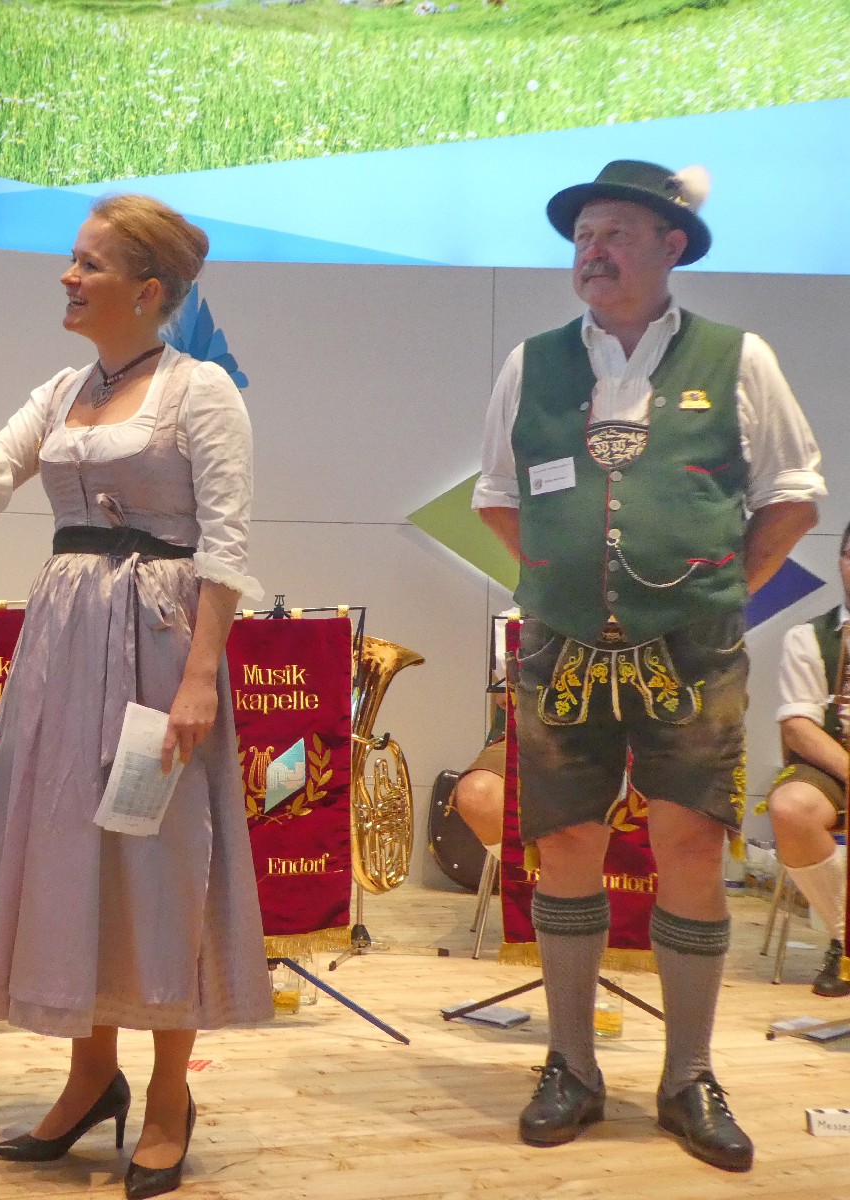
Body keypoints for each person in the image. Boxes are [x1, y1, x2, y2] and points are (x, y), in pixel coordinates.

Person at [0, 193, 271, 1200]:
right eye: (73, 258)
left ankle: (171, 1097)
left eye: (88, 264)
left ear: (146, 291)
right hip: (64, 643)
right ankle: (90, 1075)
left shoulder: (200, 392)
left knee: (160, 857)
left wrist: (199, 679)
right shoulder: (62, 390)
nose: (67, 275)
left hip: (159, 642)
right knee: (71, 850)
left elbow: (225, 547)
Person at [474, 160, 823, 1173]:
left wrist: (719, 588)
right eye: (583, 234)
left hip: (694, 651)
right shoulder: (531, 363)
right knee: (565, 844)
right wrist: (564, 581)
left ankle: (688, 1075)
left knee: (691, 846)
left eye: (615, 233)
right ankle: (571, 1065)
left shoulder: (738, 357)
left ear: (672, 246)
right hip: (560, 648)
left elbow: (794, 494)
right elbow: (499, 497)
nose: (592, 250)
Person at [763, 519, 850, 998]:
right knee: (791, 808)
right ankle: (845, 939)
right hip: (832, 758)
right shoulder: (809, 636)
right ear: (841, 562)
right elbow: (798, 725)